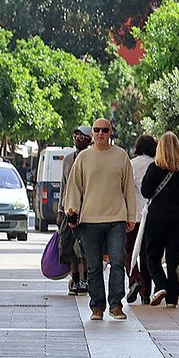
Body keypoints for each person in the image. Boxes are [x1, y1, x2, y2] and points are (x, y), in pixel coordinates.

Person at [62, 117, 137, 321]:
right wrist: (72, 211)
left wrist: (131, 216)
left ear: (110, 132)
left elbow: (128, 188)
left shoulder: (121, 156)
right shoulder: (84, 158)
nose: (101, 134)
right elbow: (74, 187)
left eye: (105, 130)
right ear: (92, 133)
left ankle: (115, 305)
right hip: (90, 219)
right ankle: (97, 307)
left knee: (118, 261)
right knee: (94, 265)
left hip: (116, 218)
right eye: (97, 130)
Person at [139, 131, 179, 308]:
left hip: (157, 217)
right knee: (175, 259)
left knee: (152, 256)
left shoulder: (154, 168)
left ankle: (161, 284)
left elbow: (146, 192)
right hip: (178, 218)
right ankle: (172, 299)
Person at [59, 125, 93, 296]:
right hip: (69, 210)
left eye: (82, 136)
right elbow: (63, 186)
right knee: (69, 247)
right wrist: (60, 210)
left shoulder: (93, 158)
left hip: (87, 210)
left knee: (86, 247)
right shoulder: (67, 160)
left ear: (89, 139)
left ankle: (86, 279)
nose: (78, 138)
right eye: (76, 135)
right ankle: (75, 279)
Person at [127, 134, 157, 304]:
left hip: (134, 214)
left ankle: (134, 278)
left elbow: (127, 190)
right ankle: (146, 293)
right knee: (146, 254)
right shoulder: (156, 165)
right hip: (151, 216)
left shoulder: (132, 164)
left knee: (128, 250)